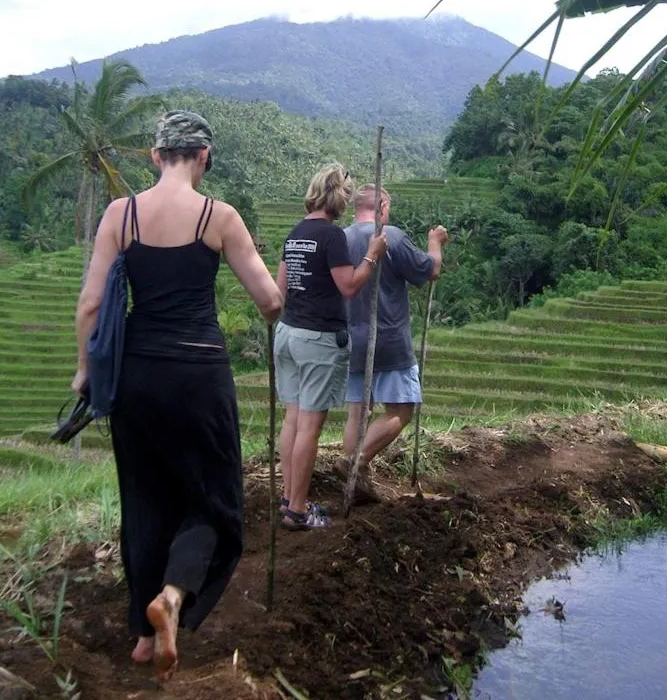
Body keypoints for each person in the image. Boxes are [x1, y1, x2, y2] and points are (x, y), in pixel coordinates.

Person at [73, 110, 282, 682]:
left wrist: (83, 372)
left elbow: (90, 305)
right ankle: (172, 595)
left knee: (144, 498)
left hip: (137, 375)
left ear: (154, 155)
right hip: (200, 375)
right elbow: (268, 301)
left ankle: (142, 640)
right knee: (213, 498)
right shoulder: (221, 216)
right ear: (205, 158)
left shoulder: (122, 214)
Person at [274, 163, 387, 531]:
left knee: (292, 419)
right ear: (340, 197)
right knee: (310, 425)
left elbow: (280, 290)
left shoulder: (295, 234)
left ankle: (289, 497)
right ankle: (298, 509)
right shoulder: (331, 236)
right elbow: (349, 286)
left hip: (288, 332)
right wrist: (372, 254)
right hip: (319, 338)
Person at [339, 185, 448, 497]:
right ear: (382, 206)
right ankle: (355, 462)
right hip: (388, 338)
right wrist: (434, 242)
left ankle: (354, 484)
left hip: (351, 339)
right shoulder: (392, 237)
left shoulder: (341, 239)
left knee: (357, 413)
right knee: (402, 409)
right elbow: (431, 270)